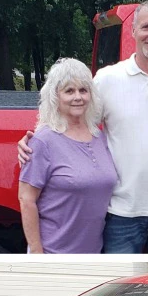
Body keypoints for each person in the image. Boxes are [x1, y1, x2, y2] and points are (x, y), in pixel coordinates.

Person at [19, 0, 148, 253]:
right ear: (133, 31)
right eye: (146, 27)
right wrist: (32, 139)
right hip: (121, 213)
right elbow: (73, 120)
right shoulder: (108, 79)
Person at [18, 58, 118, 254]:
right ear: (55, 96)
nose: (78, 97)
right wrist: (37, 253)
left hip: (93, 253)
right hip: (53, 253)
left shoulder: (99, 137)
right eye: (69, 91)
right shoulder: (43, 141)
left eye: (83, 90)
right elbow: (26, 199)